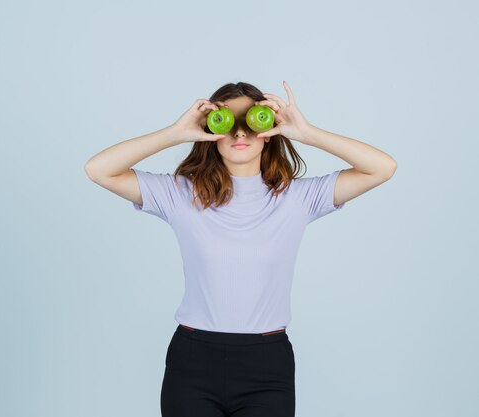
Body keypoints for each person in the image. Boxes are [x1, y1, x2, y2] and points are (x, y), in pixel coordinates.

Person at [84, 81, 397, 417]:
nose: (239, 133)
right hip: (193, 359)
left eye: (252, 121)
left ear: (269, 129)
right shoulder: (179, 194)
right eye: (228, 123)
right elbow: (98, 169)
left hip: (267, 363)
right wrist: (175, 133)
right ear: (210, 131)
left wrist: (306, 132)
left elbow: (383, 167)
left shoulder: (297, 198)